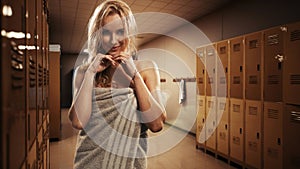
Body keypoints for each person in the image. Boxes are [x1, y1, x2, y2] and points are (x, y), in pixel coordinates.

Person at [68, 0, 167, 168]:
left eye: (120, 31)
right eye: (106, 32)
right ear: (98, 34)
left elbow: (156, 124)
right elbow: (78, 122)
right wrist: (91, 73)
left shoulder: (146, 69)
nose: (114, 40)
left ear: (129, 32)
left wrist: (135, 78)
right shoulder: (84, 72)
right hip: (89, 162)